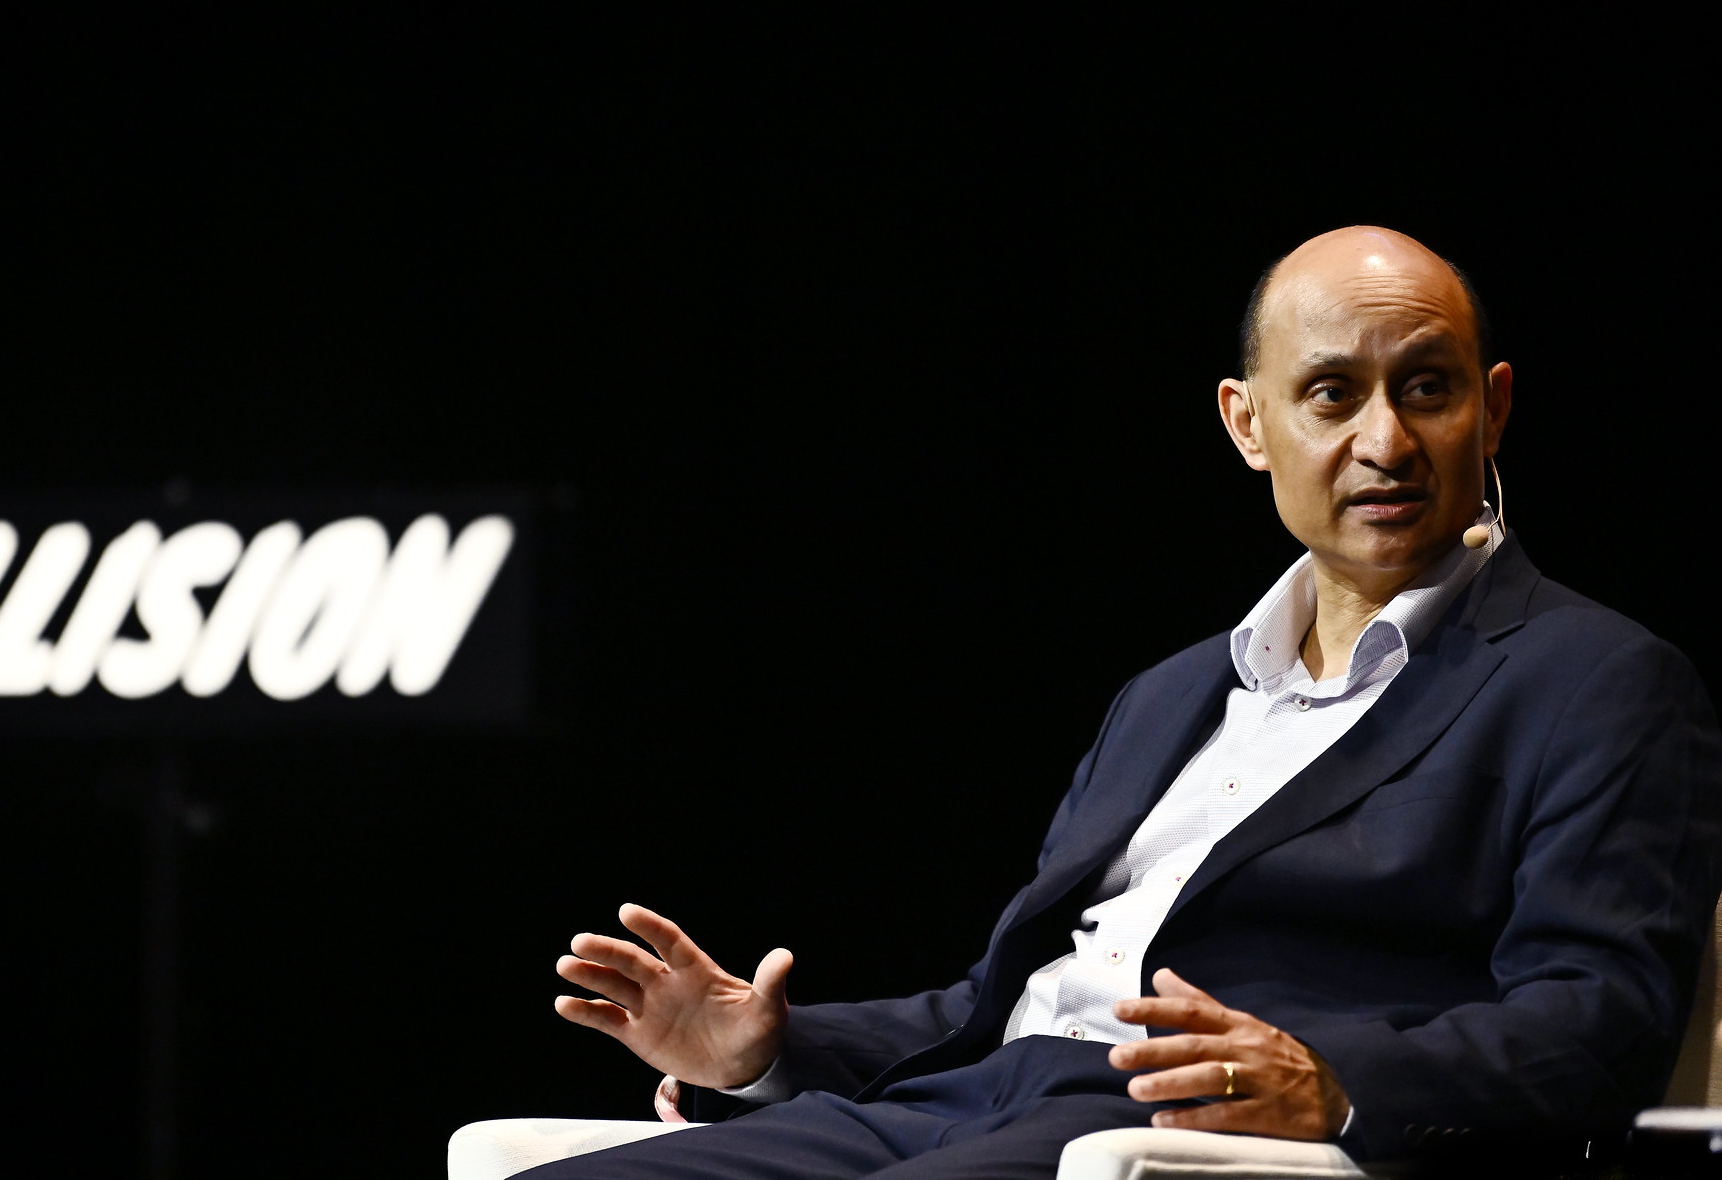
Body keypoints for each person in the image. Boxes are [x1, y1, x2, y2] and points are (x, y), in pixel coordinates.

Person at [534, 227, 1722, 1177]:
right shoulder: (1169, 696)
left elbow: (1600, 1017)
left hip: (1172, 1131)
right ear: (1246, 424)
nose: (1385, 442)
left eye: (1427, 388)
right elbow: (1011, 999)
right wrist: (770, 1052)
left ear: (1494, 406)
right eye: (1329, 395)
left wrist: (1335, 1079)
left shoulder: (1593, 680)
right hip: (980, 1102)